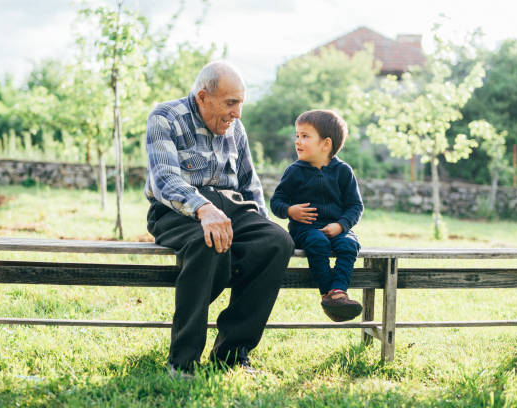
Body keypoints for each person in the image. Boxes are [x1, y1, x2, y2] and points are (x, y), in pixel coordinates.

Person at [145, 61, 294, 378]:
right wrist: (203, 208)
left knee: (276, 242)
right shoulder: (165, 118)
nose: (237, 113)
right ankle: (182, 362)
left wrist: (261, 228)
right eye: (231, 103)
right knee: (206, 242)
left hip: (230, 207)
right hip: (175, 209)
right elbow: (164, 180)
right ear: (203, 97)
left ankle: (232, 354)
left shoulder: (235, 128)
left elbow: (248, 183)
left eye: (240, 103)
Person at [270, 110, 364, 322]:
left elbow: (355, 206)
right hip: (305, 230)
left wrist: (341, 226)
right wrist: (289, 211)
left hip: (336, 229)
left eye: (305, 136)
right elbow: (276, 201)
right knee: (317, 241)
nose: (298, 141)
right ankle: (327, 295)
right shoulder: (294, 171)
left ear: (326, 144)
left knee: (349, 245)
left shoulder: (343, 171)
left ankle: (339, 291)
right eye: (297, 135)